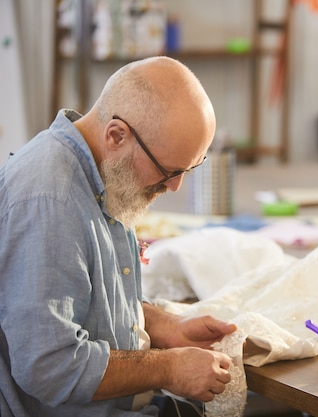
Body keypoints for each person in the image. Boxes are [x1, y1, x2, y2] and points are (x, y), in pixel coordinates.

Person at [0, 56, 237, 416]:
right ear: (116, 135)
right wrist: (168, 367)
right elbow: (49, 367)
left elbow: (85, 299)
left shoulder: (106, 173)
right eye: (168, 170)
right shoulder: (52, 200)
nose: (174, 187)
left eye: (190, 168)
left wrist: (167, 328)